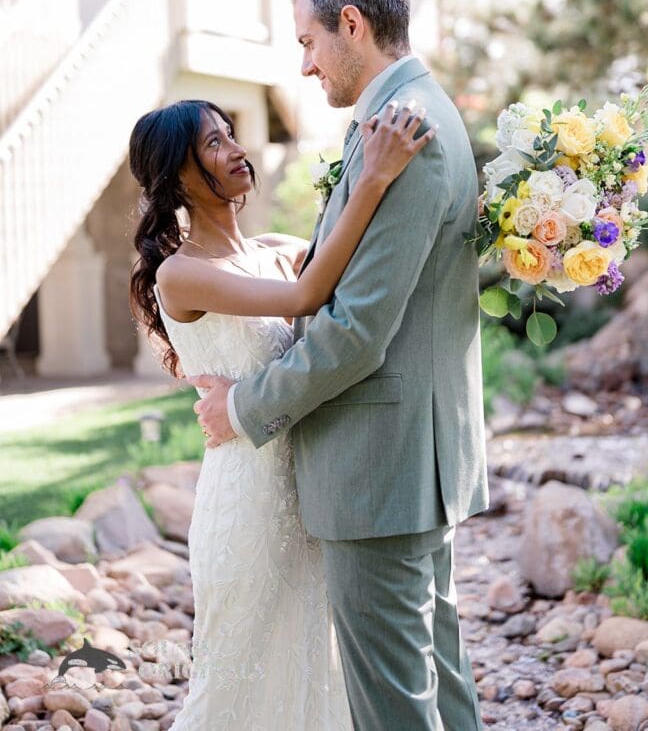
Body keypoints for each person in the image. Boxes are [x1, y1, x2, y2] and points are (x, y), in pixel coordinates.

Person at [195, 0, 490, 730]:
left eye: (307, 42)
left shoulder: (404, 131)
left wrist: (244, 405)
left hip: (379, 469)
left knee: (394, 708)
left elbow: (356, 331)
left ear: (350, 24)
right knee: (437, 684)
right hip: (409, 457)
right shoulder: (418, 113)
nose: (304, 65)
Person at [128, 95, 435, 730]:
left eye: (230, 134)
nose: (237, 150)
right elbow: (308, 294)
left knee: (312, 666)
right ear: (176, 177)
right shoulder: (181, 274)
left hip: (310, 489)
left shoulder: (271, 248)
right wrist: (372, 176)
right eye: (213, 144)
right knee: (239, 678)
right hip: (247, 502)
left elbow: (352, 257)